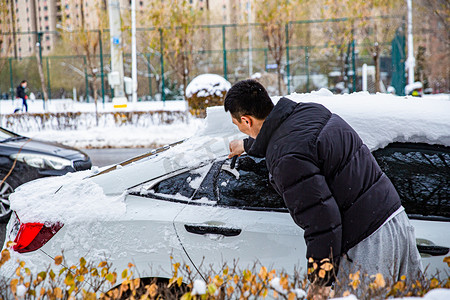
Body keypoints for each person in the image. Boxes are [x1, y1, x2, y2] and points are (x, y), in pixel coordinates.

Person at [225, 79, 422, 299]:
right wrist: (247, 145)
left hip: (368, 241)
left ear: (246, 120)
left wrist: (320, 282)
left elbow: (322, 221)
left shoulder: (285, 160)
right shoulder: (308, 111)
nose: (240, 127)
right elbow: (293, 140)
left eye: (238, 124)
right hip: (395, 219)